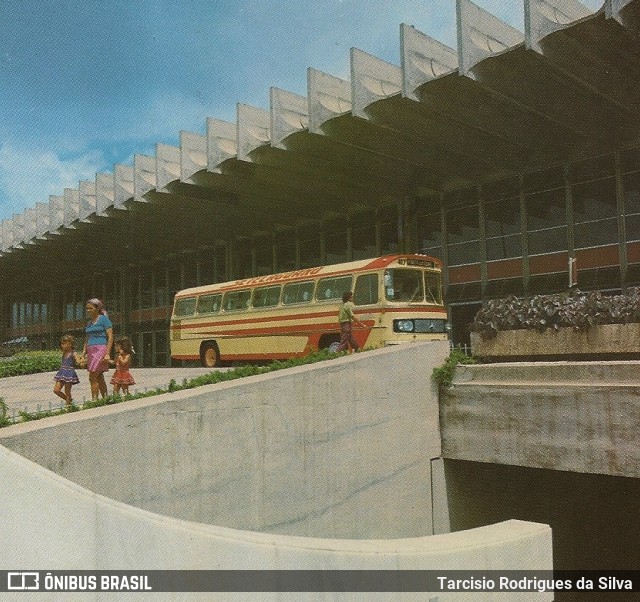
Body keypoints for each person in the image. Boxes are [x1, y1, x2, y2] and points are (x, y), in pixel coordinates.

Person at [82, 298, 113, 400]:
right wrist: (83, 354)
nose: (88, 310)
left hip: (100, 349)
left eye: (90, 308)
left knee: (93, 376)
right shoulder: (89, 323)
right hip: (91, 351)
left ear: (97, 308)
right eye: (87, 308)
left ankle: (94, 400)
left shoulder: (104, 319)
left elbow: (110, 337)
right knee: (99, 376)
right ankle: (105, 399)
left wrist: (107, 353)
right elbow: (87, 339)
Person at [53, 334, 80, 408]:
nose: (62, 345)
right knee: (56, 390)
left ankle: (68, 406)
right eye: (61, 344)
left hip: (69, 373)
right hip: (62, 372)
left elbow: (78, 361)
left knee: (67, 391)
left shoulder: (74, 353)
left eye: (64, 343)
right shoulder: (64, 352)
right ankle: (69, 400)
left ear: (70, 344)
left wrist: (79, 361)